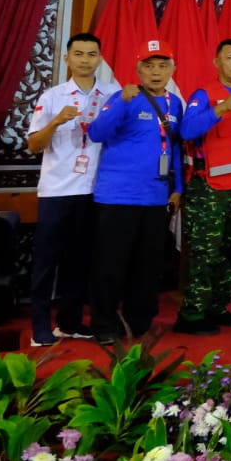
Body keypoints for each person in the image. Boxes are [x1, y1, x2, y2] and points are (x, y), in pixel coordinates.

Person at [87, 39, 184, 343]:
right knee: (111, 264)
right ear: (138, 69)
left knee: (147, 265)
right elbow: (97, 133)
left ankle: (138, 321)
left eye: (162, 65)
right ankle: (104, 325)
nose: (156, 72)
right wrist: (122, 104)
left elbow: (177, 147)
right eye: (149, 66)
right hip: (118, 197)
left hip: (156, 198)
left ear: (172, 68)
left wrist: (178, 187)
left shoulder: (175, 104)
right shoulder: (122, 97)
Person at [26, 32, 117, 347]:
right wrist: (56, 123)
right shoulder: (52, 97)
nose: (85, 60)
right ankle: (40, 326)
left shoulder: (112, 93)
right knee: (46, 262)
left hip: (95, 190)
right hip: (56, 190)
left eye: (92, 54)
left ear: (100, 58)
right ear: (67, 58)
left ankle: (70, 321)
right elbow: (34, 145)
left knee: (81, 261)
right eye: (78, 54)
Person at [176, 38, 231, 336]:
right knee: (204, 252)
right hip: (209, 188)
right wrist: (220, 110)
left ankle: (217, 308)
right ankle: (192, 315)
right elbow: (186, 130)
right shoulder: (204, 95)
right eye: (230, 58)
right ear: (217, 62)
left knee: (228, 251)